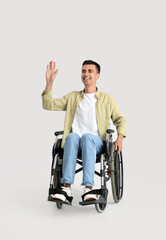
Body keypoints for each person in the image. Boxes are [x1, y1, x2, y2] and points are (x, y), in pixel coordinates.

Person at [41, 60, 126, 202]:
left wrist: (120, 137)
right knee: (73, 136)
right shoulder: (73, 97)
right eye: (83, 71)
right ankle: (66, 187)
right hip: (74, 143)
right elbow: (49, 105)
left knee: (87, 137)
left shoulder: (108, 99)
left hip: (96, 142)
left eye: (90, 71)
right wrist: (49, 83)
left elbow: (120, 119)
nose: (86, 74)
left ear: (97, 75)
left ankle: (89, 188)